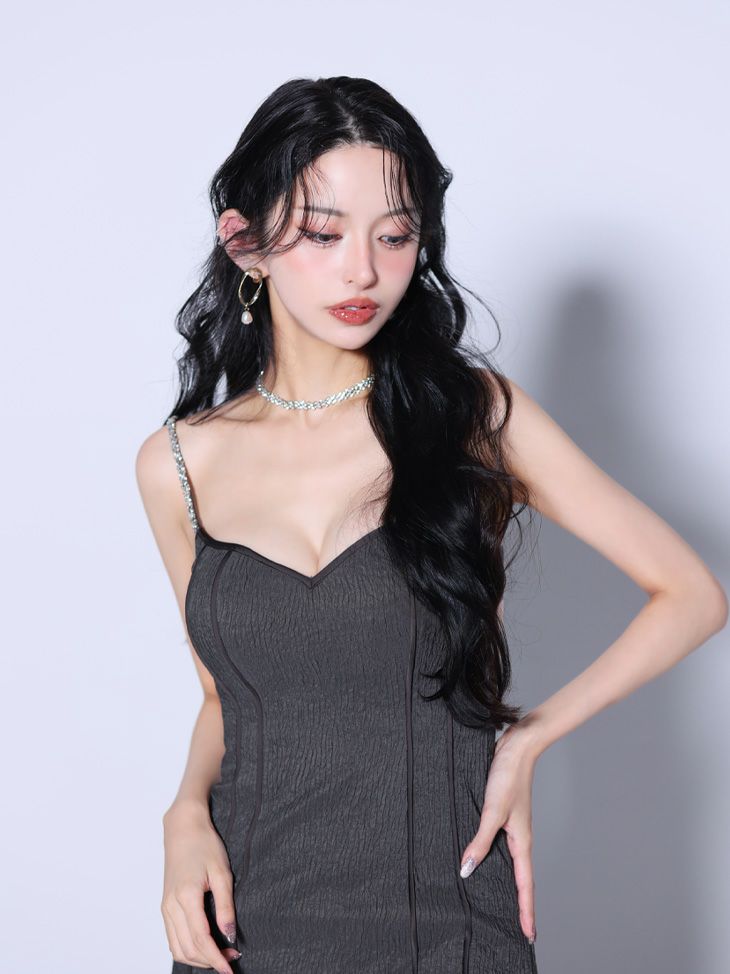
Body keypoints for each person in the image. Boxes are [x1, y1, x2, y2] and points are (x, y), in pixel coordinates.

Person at [135, 76, 728, 974]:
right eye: (324, 234)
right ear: (245, 243)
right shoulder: (177, 463)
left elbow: (691, 594)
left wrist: (529, 737)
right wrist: (183, 814)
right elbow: (224, 697)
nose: (363, 271)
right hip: (245, 924)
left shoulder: (472, 417)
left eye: (396, 235)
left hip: (446, 918)